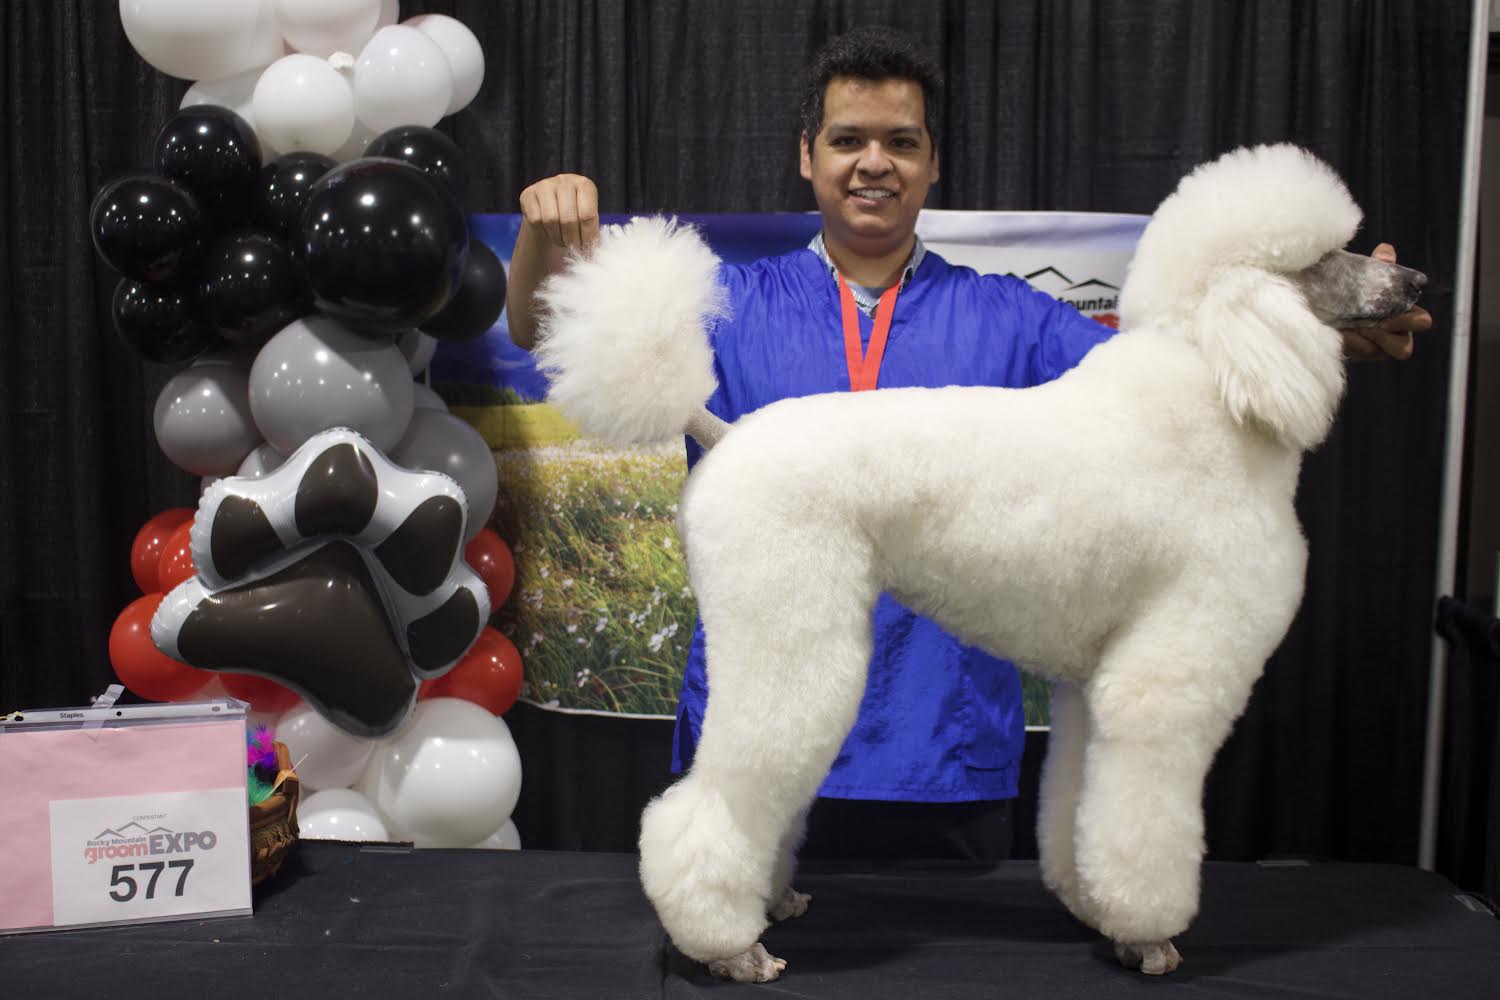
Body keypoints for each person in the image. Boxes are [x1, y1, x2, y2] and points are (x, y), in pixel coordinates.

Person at [504, 27, 1431, 862]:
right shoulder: (735, 304)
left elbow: (1172, 370)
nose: (875, 163)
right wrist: (546, 246)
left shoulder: (1014, 315)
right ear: (806, 157)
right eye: (848, 140)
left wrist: (1317, 318)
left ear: (933, 162)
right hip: (768, 748)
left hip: (942, 758)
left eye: (901, 142)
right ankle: (722, 868)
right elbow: (546, 336)